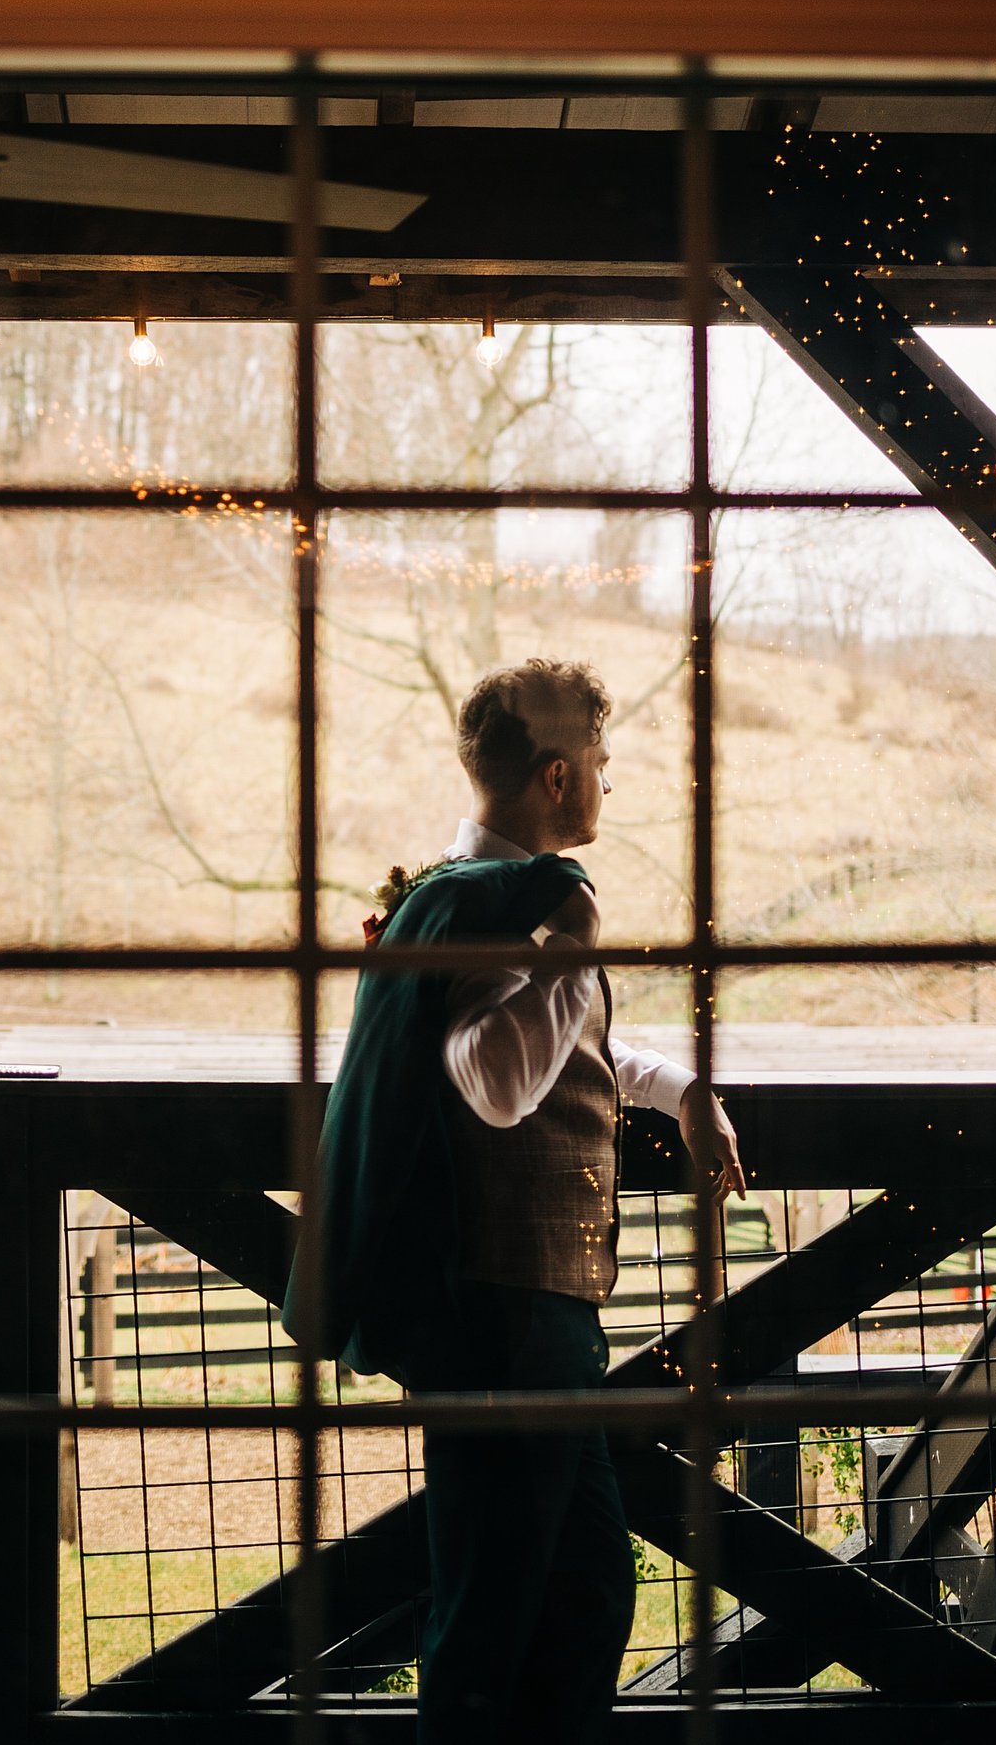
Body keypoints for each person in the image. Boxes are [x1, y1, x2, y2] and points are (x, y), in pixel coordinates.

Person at [295, 659, 742, 1740]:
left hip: (537, 1308)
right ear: (555, 773)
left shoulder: (464, 894)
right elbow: (494, 1081)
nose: (605, 783)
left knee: (586, 1591)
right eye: (598, 762)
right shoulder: (514, 901)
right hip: (505, 1308)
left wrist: (682, 1091)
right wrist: (570, 950)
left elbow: (567, 1042)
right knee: (491, 1611)